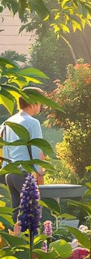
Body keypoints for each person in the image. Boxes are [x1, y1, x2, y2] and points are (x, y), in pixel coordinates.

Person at [2, 93, 46, 231]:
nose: (41, 106)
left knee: (16, 215)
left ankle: (16, 240)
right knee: (32, 214)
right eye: (40, 103)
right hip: (25, 174)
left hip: (10, 173)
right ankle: (30, 242)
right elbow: (36, 148)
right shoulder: (32, 122)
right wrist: (39, 172)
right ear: (33, 103)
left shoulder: (7, 122)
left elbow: (5, 147)